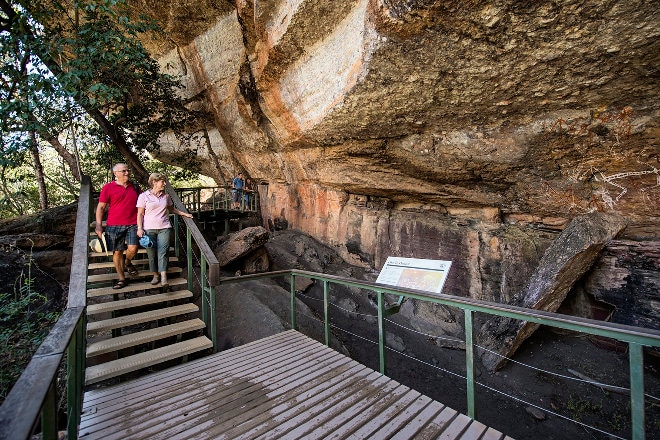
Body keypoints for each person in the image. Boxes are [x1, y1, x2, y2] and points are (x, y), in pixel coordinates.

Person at [136, 172, 193, 288]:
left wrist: (184, 214)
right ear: (154, 182)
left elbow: (172, 209)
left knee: (163, 252)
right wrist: (140, 228)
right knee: (151, 254)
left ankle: (163, 277)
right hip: (149, 228)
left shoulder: (166, 196)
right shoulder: (144, 196)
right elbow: (140, 214)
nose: (165, 184)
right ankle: (155, 275)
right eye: (162, 182)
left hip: (164, 228)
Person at [95, 163, 140, 289]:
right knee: (117, 251)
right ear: (116, 174)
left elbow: (143, 204)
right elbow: (101, 207)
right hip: (114, 225)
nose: (127, 173)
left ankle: (128, 262)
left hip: (133, 223)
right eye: (123, 171)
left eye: (127, 170)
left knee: (133, 248)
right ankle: (121, 278)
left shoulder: (135, 187)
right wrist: (98, 225)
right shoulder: (108, 188)